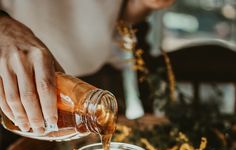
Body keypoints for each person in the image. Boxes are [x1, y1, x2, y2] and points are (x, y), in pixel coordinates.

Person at [0, 0, 174, 137]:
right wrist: (3, 27)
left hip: (97, 79)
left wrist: (144, 4)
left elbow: (122, 15)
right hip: (16, 78)